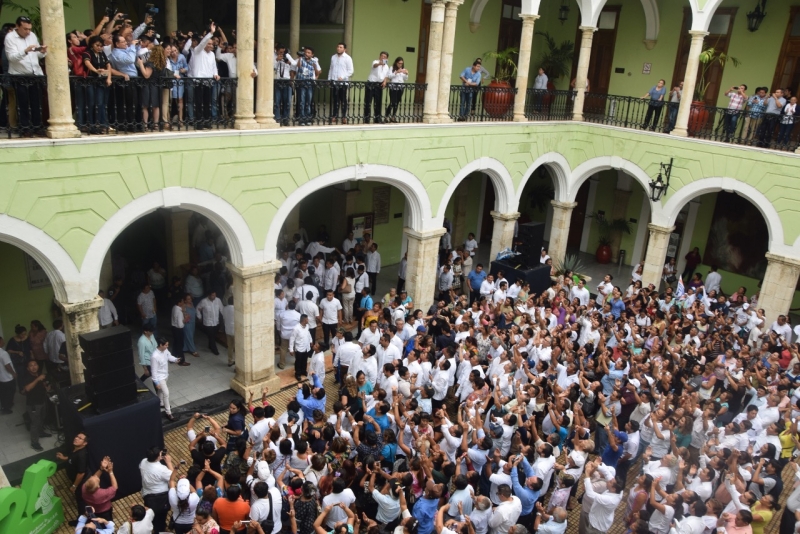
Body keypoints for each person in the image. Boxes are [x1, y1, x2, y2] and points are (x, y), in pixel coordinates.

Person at [4, 16, 47, 134]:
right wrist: (25, 51)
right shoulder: (10, 37)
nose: (28, 31)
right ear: (17, 26)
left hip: (35, 73)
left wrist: (42, 52)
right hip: (19, 75)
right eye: (25, 29)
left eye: (29, 29)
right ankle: (25, 128)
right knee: (22, 103)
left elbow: (36, 55)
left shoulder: (32, 35)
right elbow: (11, 58)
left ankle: (37, 126)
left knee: (36, 102)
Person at [56, 432, 89, 525]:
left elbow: (81, 473)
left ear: (85, 443)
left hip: (80, 483)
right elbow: (71, 457)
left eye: (80, 438)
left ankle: (81, 520)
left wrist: (74, 486)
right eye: (76, 436)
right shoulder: (75, 449)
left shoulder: (82, 455)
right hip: (75, 480)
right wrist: (64, 458)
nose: (76, 438)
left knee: (81, 502)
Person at [140, 447, 174, 533]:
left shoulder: (143, 462)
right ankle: (160, 530)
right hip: (161, 498)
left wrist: (158, 459)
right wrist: (169, 463)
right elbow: (172, 477)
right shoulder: (162, 469)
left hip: (147, 495)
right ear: (158, 456)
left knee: (152, 515)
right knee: (161, 517)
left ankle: (155, 527)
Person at [21, 360, 50, 452]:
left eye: (35, 365)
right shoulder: (27, 377)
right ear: (28, 368)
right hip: (33, 404)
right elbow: (27, 388)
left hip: (42, 401)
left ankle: (41, 432)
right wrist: (38, 379)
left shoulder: (39, 374)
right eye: (31, 366)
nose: (34, 367)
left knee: (42, 418)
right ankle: (34, 442)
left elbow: (43, 385)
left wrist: (46, 386)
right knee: (35, 423)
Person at [151, 337, 182, 421]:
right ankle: (168, 412)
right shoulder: (155, 356)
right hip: (160, 377)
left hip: (165, 375)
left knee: (160, 392)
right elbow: (153, 370)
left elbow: (169, 356)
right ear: (161, 345)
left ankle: (159, 403)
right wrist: (156, 382)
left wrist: (175, 359)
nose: (167, 347)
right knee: (166, 393)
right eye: (166, 345)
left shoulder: (165, 351)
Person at [81, 456, 118, 521]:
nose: (95, 476)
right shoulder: (102, 493)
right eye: (98, 480)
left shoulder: (84, 487)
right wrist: (110, 472)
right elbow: (115, 487)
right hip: (105, 512)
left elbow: (95, 477)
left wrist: (101, 468)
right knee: (108, 523)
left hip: (92, 510)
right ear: (98, 487)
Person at [328, 42, 354, 124]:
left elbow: (351, 71)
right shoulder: (333, 57)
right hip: (334, 82)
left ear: (344, 49)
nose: (339, 48)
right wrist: (329, 79)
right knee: (335, 99)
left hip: (343, 83)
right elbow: (331, 69)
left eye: (341, 47)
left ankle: (344, 116)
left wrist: (343, 77)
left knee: (343, 100)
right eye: (338, 47)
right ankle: (334, 115)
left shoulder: (347, 58)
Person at [295, 46, 321, 126]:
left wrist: (315, 66)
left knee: (308, 102)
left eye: (309, 53)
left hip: (309, 84)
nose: (306, 54)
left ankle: (308, 118)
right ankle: (302, 119)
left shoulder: (314, 61)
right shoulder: (300, 60)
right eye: (306, 52)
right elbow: (298, 66)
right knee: (302, 102)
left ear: (312, 55)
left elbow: (318, 72)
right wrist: (300, 57)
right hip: (302, 84)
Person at [365, 51, 390, 124]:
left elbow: (386, 75)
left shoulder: (386, 66)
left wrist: (385, 81)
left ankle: (377, 118)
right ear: (379, 57)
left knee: (378, 102)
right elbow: (374, 65)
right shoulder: (375, 62)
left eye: (384, 56)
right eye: (382, 56)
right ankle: (367, 118)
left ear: (387, 58)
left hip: (379, 85)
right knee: (368, 102)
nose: (383, 57)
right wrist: (380, 63)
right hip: (371, 83)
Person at [197, 291, 223, 356]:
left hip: (216, 322)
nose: (214, 297)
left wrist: (225, 317)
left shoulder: (218, 300)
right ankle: (214, 349)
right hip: (208, 322)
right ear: (209, 295)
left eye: (214, 295)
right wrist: (199, 317)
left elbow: (221, 309)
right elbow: (198, 309)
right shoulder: (204, 301)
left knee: (213, 335)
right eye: (212, 295)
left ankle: (210, 345)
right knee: (211, 336)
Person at [290, 314, 314, 382]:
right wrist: (291, 349)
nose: (308, 320)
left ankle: (303, 371)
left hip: (306, 347)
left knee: (305, 360)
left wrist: (311, 340)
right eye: (307, 319)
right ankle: (297, 373)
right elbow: (292, 338)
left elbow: (308, 334)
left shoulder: (307, 326)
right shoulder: (296, 328)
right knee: (298, 362)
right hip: (299, 348)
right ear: (304, 320)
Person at [386, 57, 408, 123]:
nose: (400, 65)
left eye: (401, 63)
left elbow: (405, 79)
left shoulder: (403, 69)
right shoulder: (392, 68)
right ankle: (386, 116)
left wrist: (406, 73)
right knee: (392, 102)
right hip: (393, 87)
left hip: (400, 87)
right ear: (396, 62)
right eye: (399, 63)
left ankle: (393, 117)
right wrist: (396, 72)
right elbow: (389, 76)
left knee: (397, 103)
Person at [0, 337, 16, 414]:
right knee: (10, 392)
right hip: (7, 377)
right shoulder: (3, 353)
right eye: (2, 340)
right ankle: (7, 407)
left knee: (3, 392)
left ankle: (4, 405)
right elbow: (7, 365)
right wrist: (13, 373)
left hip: (1, 377)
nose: (4, 342)